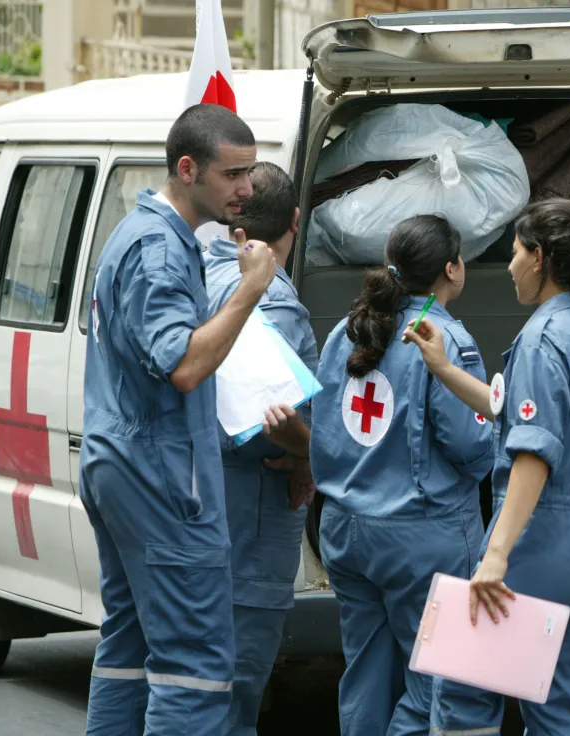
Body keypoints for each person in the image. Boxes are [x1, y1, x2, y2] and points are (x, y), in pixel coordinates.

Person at [80, 103, 271, 734]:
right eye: (233, 175)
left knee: (130, 650)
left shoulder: (139, 233)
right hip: (161, 478)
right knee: (195, 665)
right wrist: (249, 289)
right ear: (187, 169)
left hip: (124, 463)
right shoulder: (160, 252)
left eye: (250, 172)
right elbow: (184, 366)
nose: (247, 188)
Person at [404, 199, 570, 735]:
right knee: (557, 708)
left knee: (462, 691)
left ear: (540, 258)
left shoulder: (542, 340)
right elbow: (514, 412)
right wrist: (443, 368)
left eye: (514, 252)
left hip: (543, 544)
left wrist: (496, 555)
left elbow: (532, 452)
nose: (507, 266)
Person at [310, 215, 494, 735]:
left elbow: (322, 426)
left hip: (345, 530)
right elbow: (470, 445)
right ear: (452, 269)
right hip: (423, 535)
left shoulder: (347, 332)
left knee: (365, 671)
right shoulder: (444, 340)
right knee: (442, 681)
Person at [203, 161, 318, 735]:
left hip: (206, 508)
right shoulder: (269, 299)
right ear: (296, 220)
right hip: (247, 519)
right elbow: (269, 418)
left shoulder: (206, 272)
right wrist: (310, 454)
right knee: (236, 691)